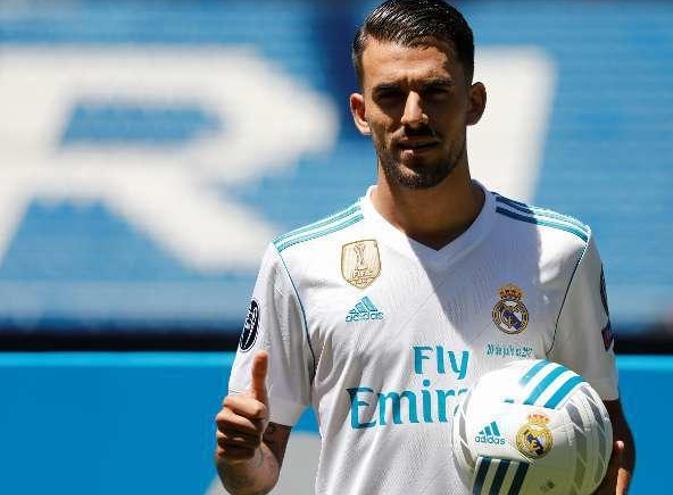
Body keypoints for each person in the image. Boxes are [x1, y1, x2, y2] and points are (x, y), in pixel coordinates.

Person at [214, 1, 635, 493]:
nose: (413, 115)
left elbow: (607, 436)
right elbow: (258, 475)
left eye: (435, 91)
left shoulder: (561, 251)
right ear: (360, 112)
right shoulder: (298, 264)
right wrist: (240, 458)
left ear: (474, 102)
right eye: (390, 95)